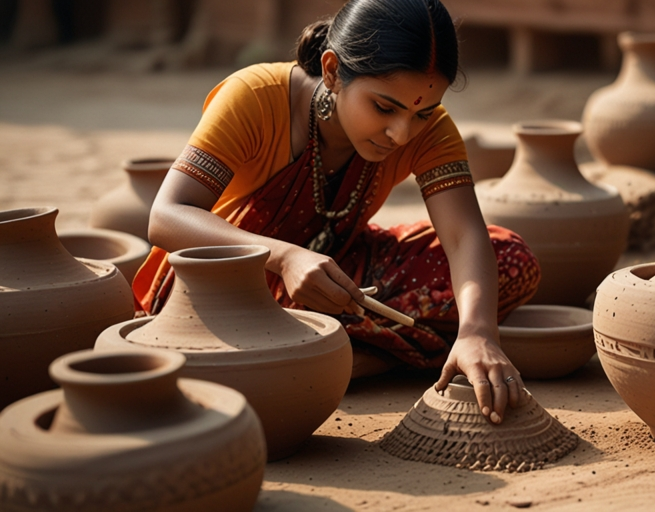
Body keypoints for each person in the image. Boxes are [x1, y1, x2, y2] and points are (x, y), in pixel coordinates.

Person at [132, 0, 540, 425]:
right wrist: (285, 257)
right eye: (384, 108)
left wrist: (478, 333)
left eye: (422, 113)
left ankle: (336, 360)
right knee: (221, 336)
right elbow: (166, 214)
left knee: (510, 259)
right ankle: (359, 357)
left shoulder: (430, 132)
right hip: (229, 288)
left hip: (338, 274)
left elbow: (463, 237)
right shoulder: (255, 97)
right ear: (331, 71)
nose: (401, 134)